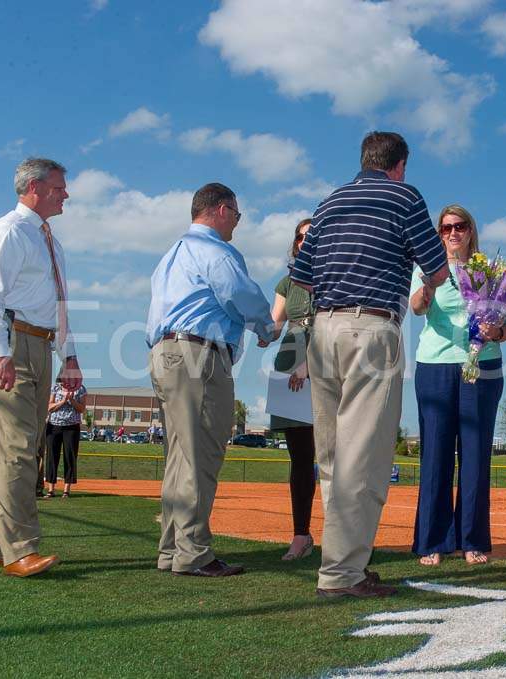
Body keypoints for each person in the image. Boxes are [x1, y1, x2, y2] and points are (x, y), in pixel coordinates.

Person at [292, 131, 448, 598]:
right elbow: (437, 270)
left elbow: (301, 279)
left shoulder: (328, 202)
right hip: (372, 328)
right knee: (364, 455)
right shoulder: (404, 196)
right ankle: (342, 573)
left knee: (332, 455)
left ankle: (340, 560)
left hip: (323, 329)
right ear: (399, 164)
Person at [146, 182, 278, 577]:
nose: (237, 222)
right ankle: (192, 552)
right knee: (200, 455)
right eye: (236, 214)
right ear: (222, 210)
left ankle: (173, 549)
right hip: (198, 355)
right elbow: (239, 293)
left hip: (165, 353)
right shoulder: (216, 251)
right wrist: (265, 326)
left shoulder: (171, 254)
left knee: (180, 458)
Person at [0, 157, 81, 577]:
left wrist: (69, 356)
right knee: (16, 450)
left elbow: (60, 305)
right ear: (33, 188)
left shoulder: (49, 239)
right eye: (58, 187)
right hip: (12, 344)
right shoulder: (9, 233)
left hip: (40, 344)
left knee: (10, 450)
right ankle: (20, 551)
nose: (65, 194)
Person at [409, 205, 506, 567]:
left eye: (460, 226)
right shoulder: (426, 269)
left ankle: (472, 539)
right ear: (439, 233)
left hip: (482, 366)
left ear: (471, 230)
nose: (453, 233)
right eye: (446, 227)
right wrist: (427, 287)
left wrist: (495, 331)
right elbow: (418, 309)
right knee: (435, 453)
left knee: (475, 454)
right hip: (435, 366)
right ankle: (433, 540)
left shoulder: (486, 270)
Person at [269, 218, 317, 561]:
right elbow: (275, 324)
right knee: (300, 459)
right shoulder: (288, 282)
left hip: (324, 363)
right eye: (301, 237)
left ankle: (347, 538)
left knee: (334, 455)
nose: (306, 241)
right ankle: (301, 535)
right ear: (295, 243)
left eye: (312, 235)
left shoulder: (332, 277)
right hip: (289, 366)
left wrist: (309, 363)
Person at [43, 376, 86, 498]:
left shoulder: (80, 389)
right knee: (51, 456)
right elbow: (50, 407)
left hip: (71, 427)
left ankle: (66, 490)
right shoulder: (55, 388)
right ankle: (51, 490)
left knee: (70, 456)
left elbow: (82, 409)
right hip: (54, 426)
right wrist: (63, 401)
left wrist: (71, 400)